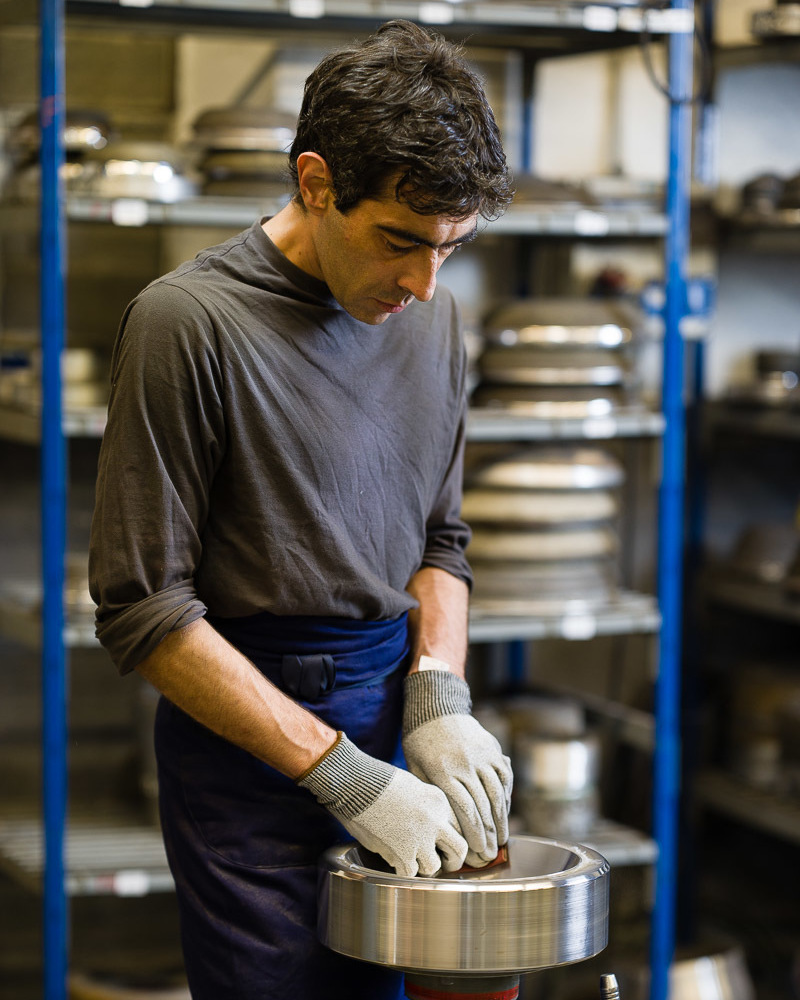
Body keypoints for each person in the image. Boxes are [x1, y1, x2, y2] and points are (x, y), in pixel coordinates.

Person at [89, 19, 514, 1000]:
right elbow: (144, 612)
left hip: (391, 704)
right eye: (400, 242)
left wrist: (438, 692)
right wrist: (344, 776)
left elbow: (441, 541)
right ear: (315, 183)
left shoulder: (433, 315)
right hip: (250, 737)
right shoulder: (186, 324)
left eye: (450, 248)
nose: (423, 283)